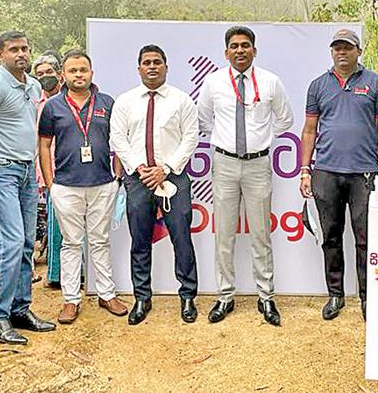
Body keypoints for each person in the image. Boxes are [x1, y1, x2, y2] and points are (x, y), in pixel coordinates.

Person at [198, 26, 294, 326]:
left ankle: (266, 297)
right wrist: (225, 142)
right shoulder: (213, 82)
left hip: (257, 166)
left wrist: (261, 139)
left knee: (261, 235)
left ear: (255, 50)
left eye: (246, 45)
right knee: (224, 234)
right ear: (226, 52)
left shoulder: (270, 82)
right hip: (224, 164)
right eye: (234, 46)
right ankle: (225, 296)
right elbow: (203, 120)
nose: (240, 50)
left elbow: (286, 119)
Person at [299, 29, 378, 321]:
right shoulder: (318, 86)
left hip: (364, 175)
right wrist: (305, 170)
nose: (342, 53)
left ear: (358, 51)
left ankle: (368, 297)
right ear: (331, 52)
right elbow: (309, 130)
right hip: (326, 172)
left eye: (348, 48)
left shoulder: (376, 83)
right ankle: (335, 294)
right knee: (330, 236)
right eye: (337, 48)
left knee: (367, 239)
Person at [0, 30, 56, 345]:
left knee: (25, 244)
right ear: (0, 55)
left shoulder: (34, 86)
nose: (20, 54)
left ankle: (20, 309)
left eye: (24, 49)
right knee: (9, 244)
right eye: (13, 49)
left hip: (25, 170)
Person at [112, 44, 200, 325]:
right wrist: (140, 168)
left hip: (173, 177)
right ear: (139, 68)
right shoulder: (125, 101)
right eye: (146, 62)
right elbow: (118, 138)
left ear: (166, 66)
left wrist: (165, 169)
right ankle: (142, 297)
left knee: (181, 238)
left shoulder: (181, 100)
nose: (152, 67)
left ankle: (187, 296)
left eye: (157, 62)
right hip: (138, 179)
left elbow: (191, 138)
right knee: (139, 240)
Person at [39, 50, 127, 324]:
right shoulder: (53, 106)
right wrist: (50, 183)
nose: (79, 74)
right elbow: (43, 144)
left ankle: (107, 294)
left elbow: (119, 140)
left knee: (100, 241)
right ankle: (71, 299)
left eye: (83, 70)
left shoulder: (107, 103)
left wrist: (117, 175)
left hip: (102, 183)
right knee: (71, 243)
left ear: (91, 73)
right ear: (63, 75)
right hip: (66, 186)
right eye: (73, 70)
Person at [32, 54, 63, 288]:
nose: (44, 78)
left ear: (59, 73)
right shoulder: (35, 102)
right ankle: (55, 274)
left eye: (48, 73)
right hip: (47, 171)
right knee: (54, 223)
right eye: (39, 74)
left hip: (72, 168)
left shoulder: (70, 98)